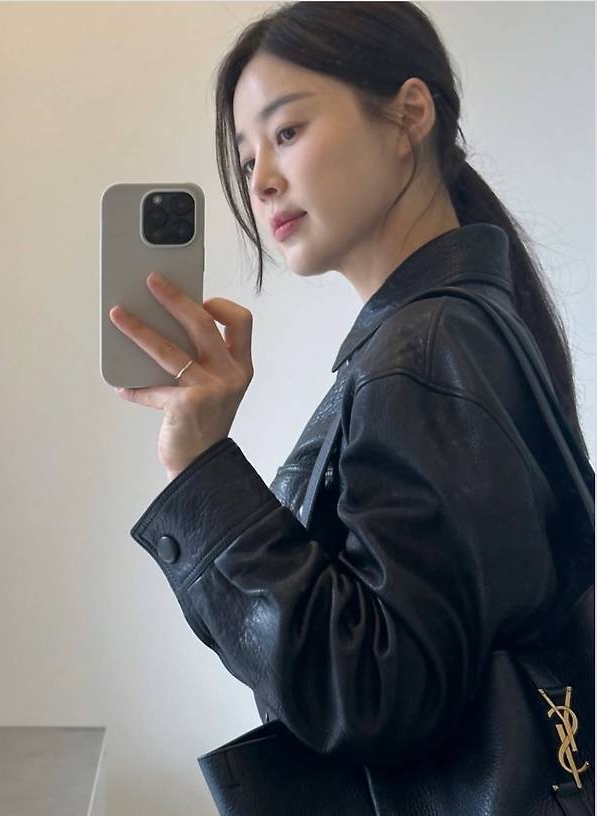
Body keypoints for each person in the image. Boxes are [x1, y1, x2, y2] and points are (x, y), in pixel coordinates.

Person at [111, 2, 594, 812]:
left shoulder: (425, 350)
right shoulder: (455, 329)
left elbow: (377, 696)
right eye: (247, 155)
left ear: (408, 116)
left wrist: (202, 474)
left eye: (287, 131)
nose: (261, 179)